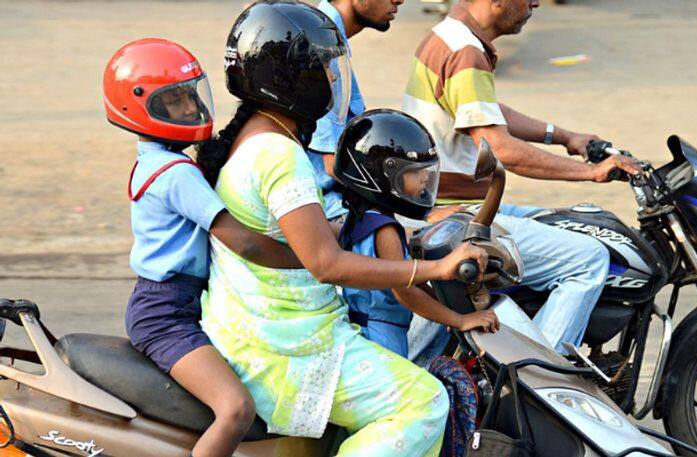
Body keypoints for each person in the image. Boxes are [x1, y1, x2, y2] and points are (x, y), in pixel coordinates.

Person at [195, 2, 487, 455]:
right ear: (293, 79)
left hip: (269, 331)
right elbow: (327, 265)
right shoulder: (278, 154)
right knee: (426, 403)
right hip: (282, 349)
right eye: (325, 69)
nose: (334, 80)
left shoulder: (256, 135)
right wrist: (439, 269)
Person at [402, 0, 642, 354]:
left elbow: (483, 112)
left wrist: (563, 136)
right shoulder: (465, 52)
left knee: (565, 220)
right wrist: (591, 172)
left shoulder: (449, 36)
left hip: (454, 207)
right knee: (589, 259)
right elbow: (501, 148)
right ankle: (539, 380)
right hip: (455, 217)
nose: (536, 3)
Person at [103, 39, 305, 456]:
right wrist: (310, 260)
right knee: (235, 408)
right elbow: (242, 240)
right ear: (143, 109)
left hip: (183, 302)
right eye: (174, 101)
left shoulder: (162, 160)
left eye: (191, 95)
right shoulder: (176, 173)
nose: (191, 108)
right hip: (165, 315)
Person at [334, 108, 500, 358]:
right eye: (414, 171)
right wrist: (460, 320)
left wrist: (442, 303)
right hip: (381, 338)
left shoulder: (362, 218)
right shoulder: (385, 230)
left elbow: (412, 275)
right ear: (383, 174)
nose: (425, 179)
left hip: (365, 328)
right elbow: (406, 292)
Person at [307, 0, 405, 221]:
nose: (400, 1)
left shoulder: (326, 31)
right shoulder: (323, 42)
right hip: (331, 209)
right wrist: (415, 208)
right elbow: (333, 166)